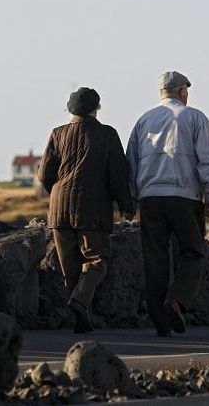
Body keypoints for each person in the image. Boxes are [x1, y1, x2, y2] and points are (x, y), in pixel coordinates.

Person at [126, 71, 209, 336]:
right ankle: (176, 300)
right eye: (187, 91)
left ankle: (160, 321)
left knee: (155, 259)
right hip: (184, 196)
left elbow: (130, 163)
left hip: (150, 199)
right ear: (182, 92)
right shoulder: (195, 118)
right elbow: (207, 161)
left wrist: (133, 200)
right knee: (192, 252)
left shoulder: (143, 120)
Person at [37, 87, 134, 333]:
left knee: (70, 269)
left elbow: (43, 174)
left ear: (70, 109)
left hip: (58, 211)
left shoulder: (57, 134)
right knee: (96, 261)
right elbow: (118, 175)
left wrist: (58, 194)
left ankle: (81, 319)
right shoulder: (107, 134)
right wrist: (126, 205)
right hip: (93, 209)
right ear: (96, 108)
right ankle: (80, 303)